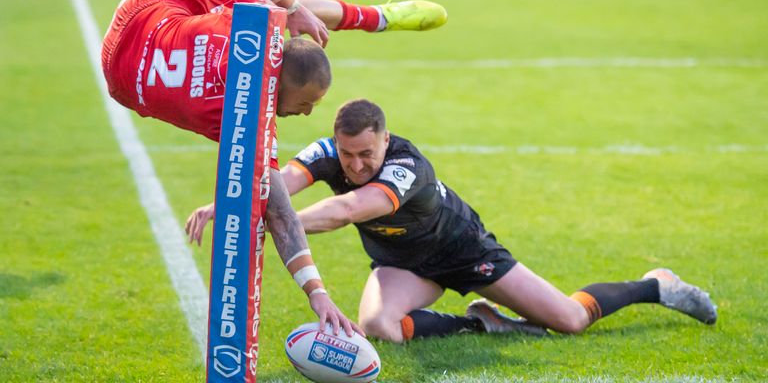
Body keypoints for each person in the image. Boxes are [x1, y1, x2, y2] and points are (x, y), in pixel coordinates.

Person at [100, 0, 445, 336]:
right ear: (283, 85)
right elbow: (279, 212)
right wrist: (317, 294)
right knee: (275, 6)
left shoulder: (250, 25)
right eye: (305, 104)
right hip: (125, 80)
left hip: (144, 12)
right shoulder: (249, 122)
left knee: (270, 5)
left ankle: (370, 17)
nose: (309, 114)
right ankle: (370, 17)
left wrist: (291, 6)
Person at [186, 99, 718, 343]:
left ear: (385, 140)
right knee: (378, 327)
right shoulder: (332, 152)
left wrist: (271, 226)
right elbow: (275, 183)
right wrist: (232, 206)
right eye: (347, 156)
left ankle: (655, 285)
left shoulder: (405, 169)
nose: (354, 165)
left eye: (365, 154)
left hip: (464, 251)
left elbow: (348, 210)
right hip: (403, 264)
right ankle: (482, 323)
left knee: (569, 321)